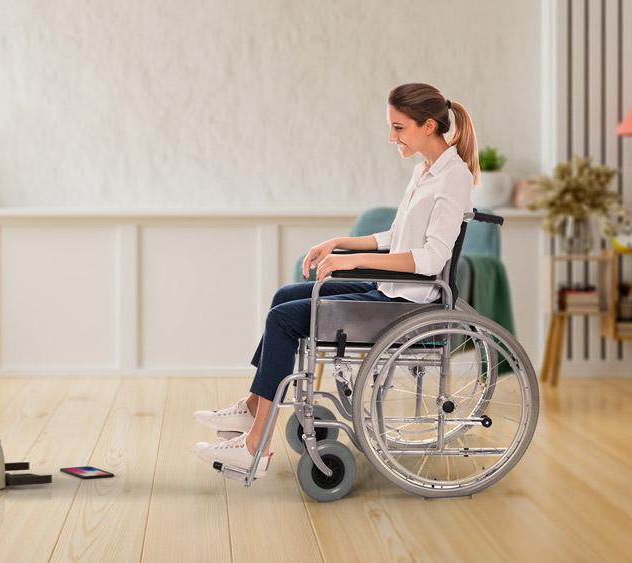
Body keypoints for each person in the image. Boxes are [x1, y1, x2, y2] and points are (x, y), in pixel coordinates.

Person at [193, 83, 479, 476]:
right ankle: (254, 407)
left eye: (398, 128)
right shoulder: (424, 171)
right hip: (388, 288)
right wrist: (339, 243)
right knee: (285, 297)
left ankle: (255, 445)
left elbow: (431, 258)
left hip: (410, 302)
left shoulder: (453, 177)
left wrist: (351, 262)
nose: (391, 136)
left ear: (428, 125)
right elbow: (395, 238)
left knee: (285, 320)